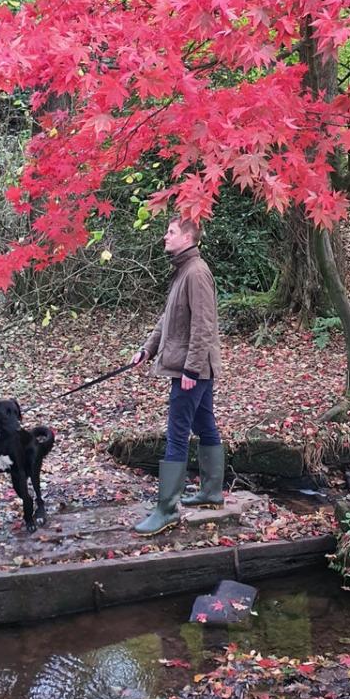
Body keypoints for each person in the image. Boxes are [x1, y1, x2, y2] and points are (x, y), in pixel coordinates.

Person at [130, 216, 223, 534]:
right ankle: (211, 492)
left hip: (192, 368)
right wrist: (147, 349)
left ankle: (167, 509)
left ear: (187, 237)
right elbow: (169, 319)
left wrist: (192, 369)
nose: (164, 237)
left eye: (170, 232)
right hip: (192, 366)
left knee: (177, 433)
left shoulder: (197, 273)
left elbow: (204, 325)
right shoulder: (183, 270)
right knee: (204, 424)